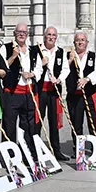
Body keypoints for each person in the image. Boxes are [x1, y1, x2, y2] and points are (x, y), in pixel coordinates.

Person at [0, 22, 43, 160]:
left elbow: (40, 68)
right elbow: (1, 67)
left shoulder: (34, 50)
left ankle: (27, 154)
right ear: (14, 33)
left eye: (24, 32)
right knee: (9, 126)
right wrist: (13, 56)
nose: (22, 34)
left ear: (27, 34)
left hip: (28, 93)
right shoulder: (5, 49)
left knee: (28, 125)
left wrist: (32, 74)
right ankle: (10, 157)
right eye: (19, 32)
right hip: (12, 93)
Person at [38, 26, 71, 161]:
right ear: (45, 36)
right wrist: (41, 63)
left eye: (53, 35)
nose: (51, 37)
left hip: (54, 91)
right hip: (40, 91)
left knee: (54, 121)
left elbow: (66, 69)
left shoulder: (60, 52)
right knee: (37, 121)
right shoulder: (38, 50)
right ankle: (35, 151)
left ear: (56, 37)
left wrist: (58, 79)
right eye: (49, 35)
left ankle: (55, 150)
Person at [66, 31, 96, 149]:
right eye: (77, 40)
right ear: (74, 43)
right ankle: (78, 149)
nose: (80, 42)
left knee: (94, 123)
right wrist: (70, 61)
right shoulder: (68, 55)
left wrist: (87, 79)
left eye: (82, 40)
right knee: (76, 123)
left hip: (90, 94)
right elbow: (62, 71)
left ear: (87, 42)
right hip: (74, 95)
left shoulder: (93, 56)